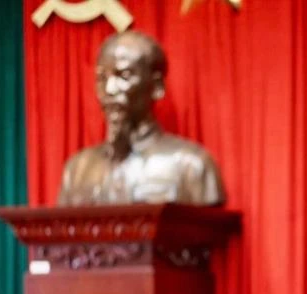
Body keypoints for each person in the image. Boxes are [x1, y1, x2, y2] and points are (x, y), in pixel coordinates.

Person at [57, 31, 224, 206]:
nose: (109, 89)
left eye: (124, 76)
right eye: (102, 78)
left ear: (157, 86)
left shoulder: (192, 166)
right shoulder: (78, 171)